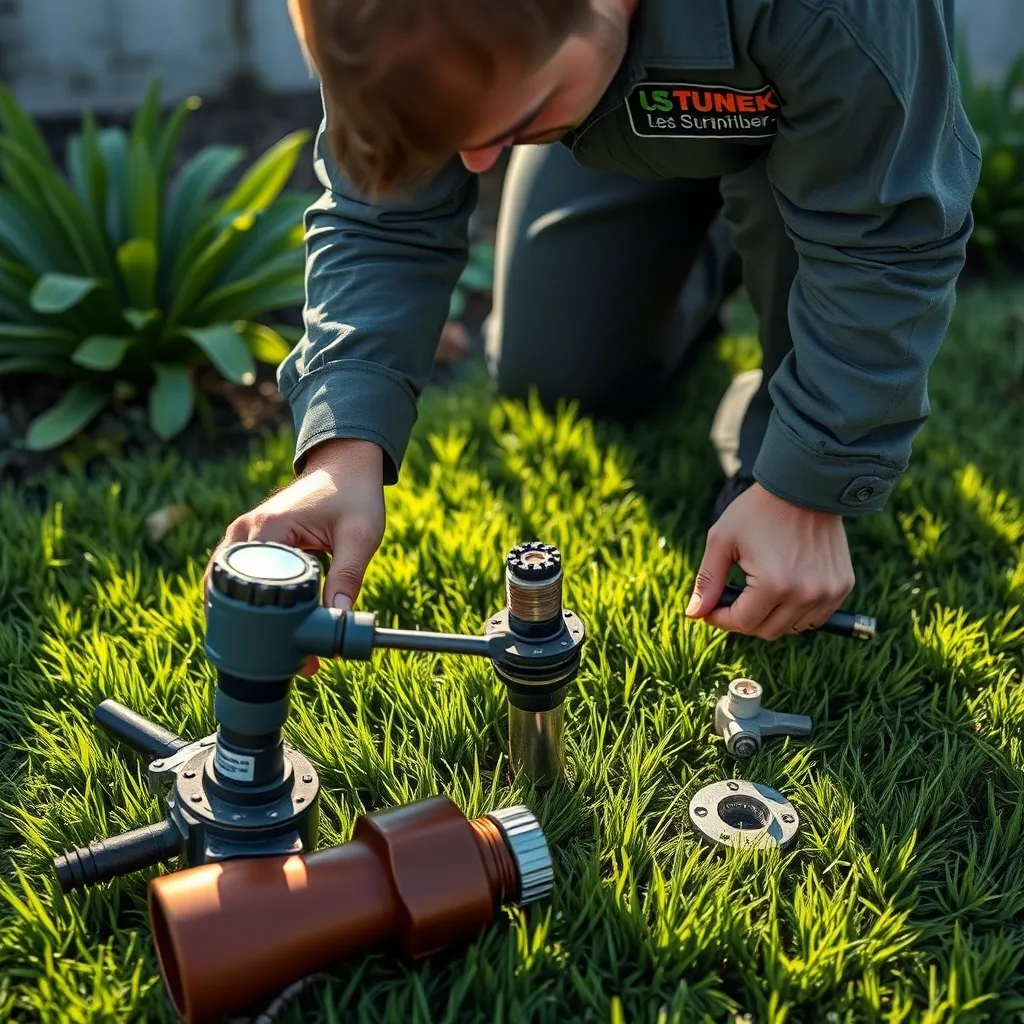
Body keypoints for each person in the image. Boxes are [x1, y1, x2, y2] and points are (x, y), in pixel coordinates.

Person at [206, 0, 979, 667]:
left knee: (829, 236)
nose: (474, 163)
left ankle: (776, 231)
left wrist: (807, 485)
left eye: (515, 119)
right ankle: (709, 253)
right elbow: (380, 213)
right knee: (561, 370)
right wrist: (342, 448)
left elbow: (888, 242)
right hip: (621, 94)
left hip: (828, 104)